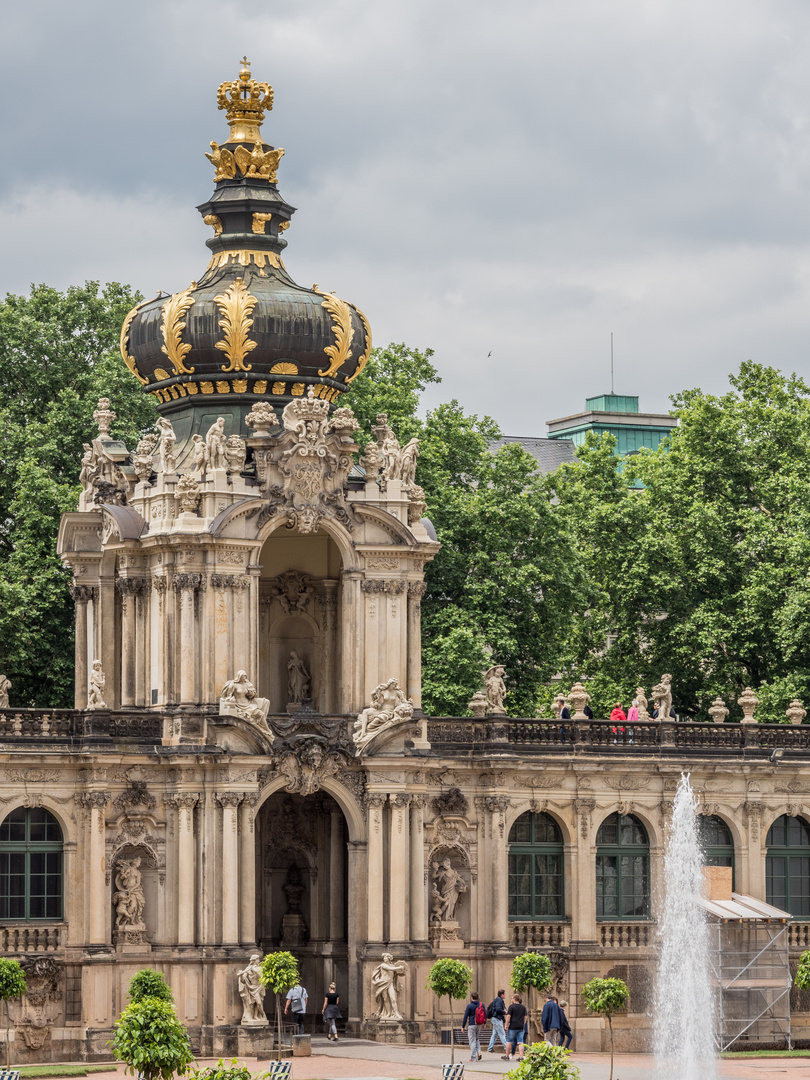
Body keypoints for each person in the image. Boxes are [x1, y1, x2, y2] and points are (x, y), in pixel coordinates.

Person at [502, 993, 527, 1061]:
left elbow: (508, 1016)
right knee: (520, 1042)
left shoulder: (511, 1006)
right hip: (520, 1027)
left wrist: (506, 1025)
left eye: (512, 998)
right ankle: (521, 1056)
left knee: (509, 1041)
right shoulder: (523, 1007)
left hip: (513, 1026)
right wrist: (523, 1023)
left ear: (514, 999)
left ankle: (507, 1055)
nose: (511, 999)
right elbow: (525, 1017)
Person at [461, 991, 485, 1061]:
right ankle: (479, 1052)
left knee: (472, 1040)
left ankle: (473, 1057)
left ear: (471, 998)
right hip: (479, 1024)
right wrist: (484, 1024)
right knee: (477, 1039)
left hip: (472, 1024)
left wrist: (463, 1026)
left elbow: (466, 1016)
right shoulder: (481, 1004)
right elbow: (485, 1014)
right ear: (478, 997)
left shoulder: (469, 1006)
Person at [486, 988, 508, 1053]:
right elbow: (498, 1009)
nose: (505, 995)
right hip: (497, 1019)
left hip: (495, 1018)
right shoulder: (499, 1000)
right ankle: (507, 1048)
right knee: (502, 1034)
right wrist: (504, 1012)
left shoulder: (497, 999)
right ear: (502, 995)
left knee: (494, 1034)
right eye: (504, 994)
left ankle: (490, 1048)